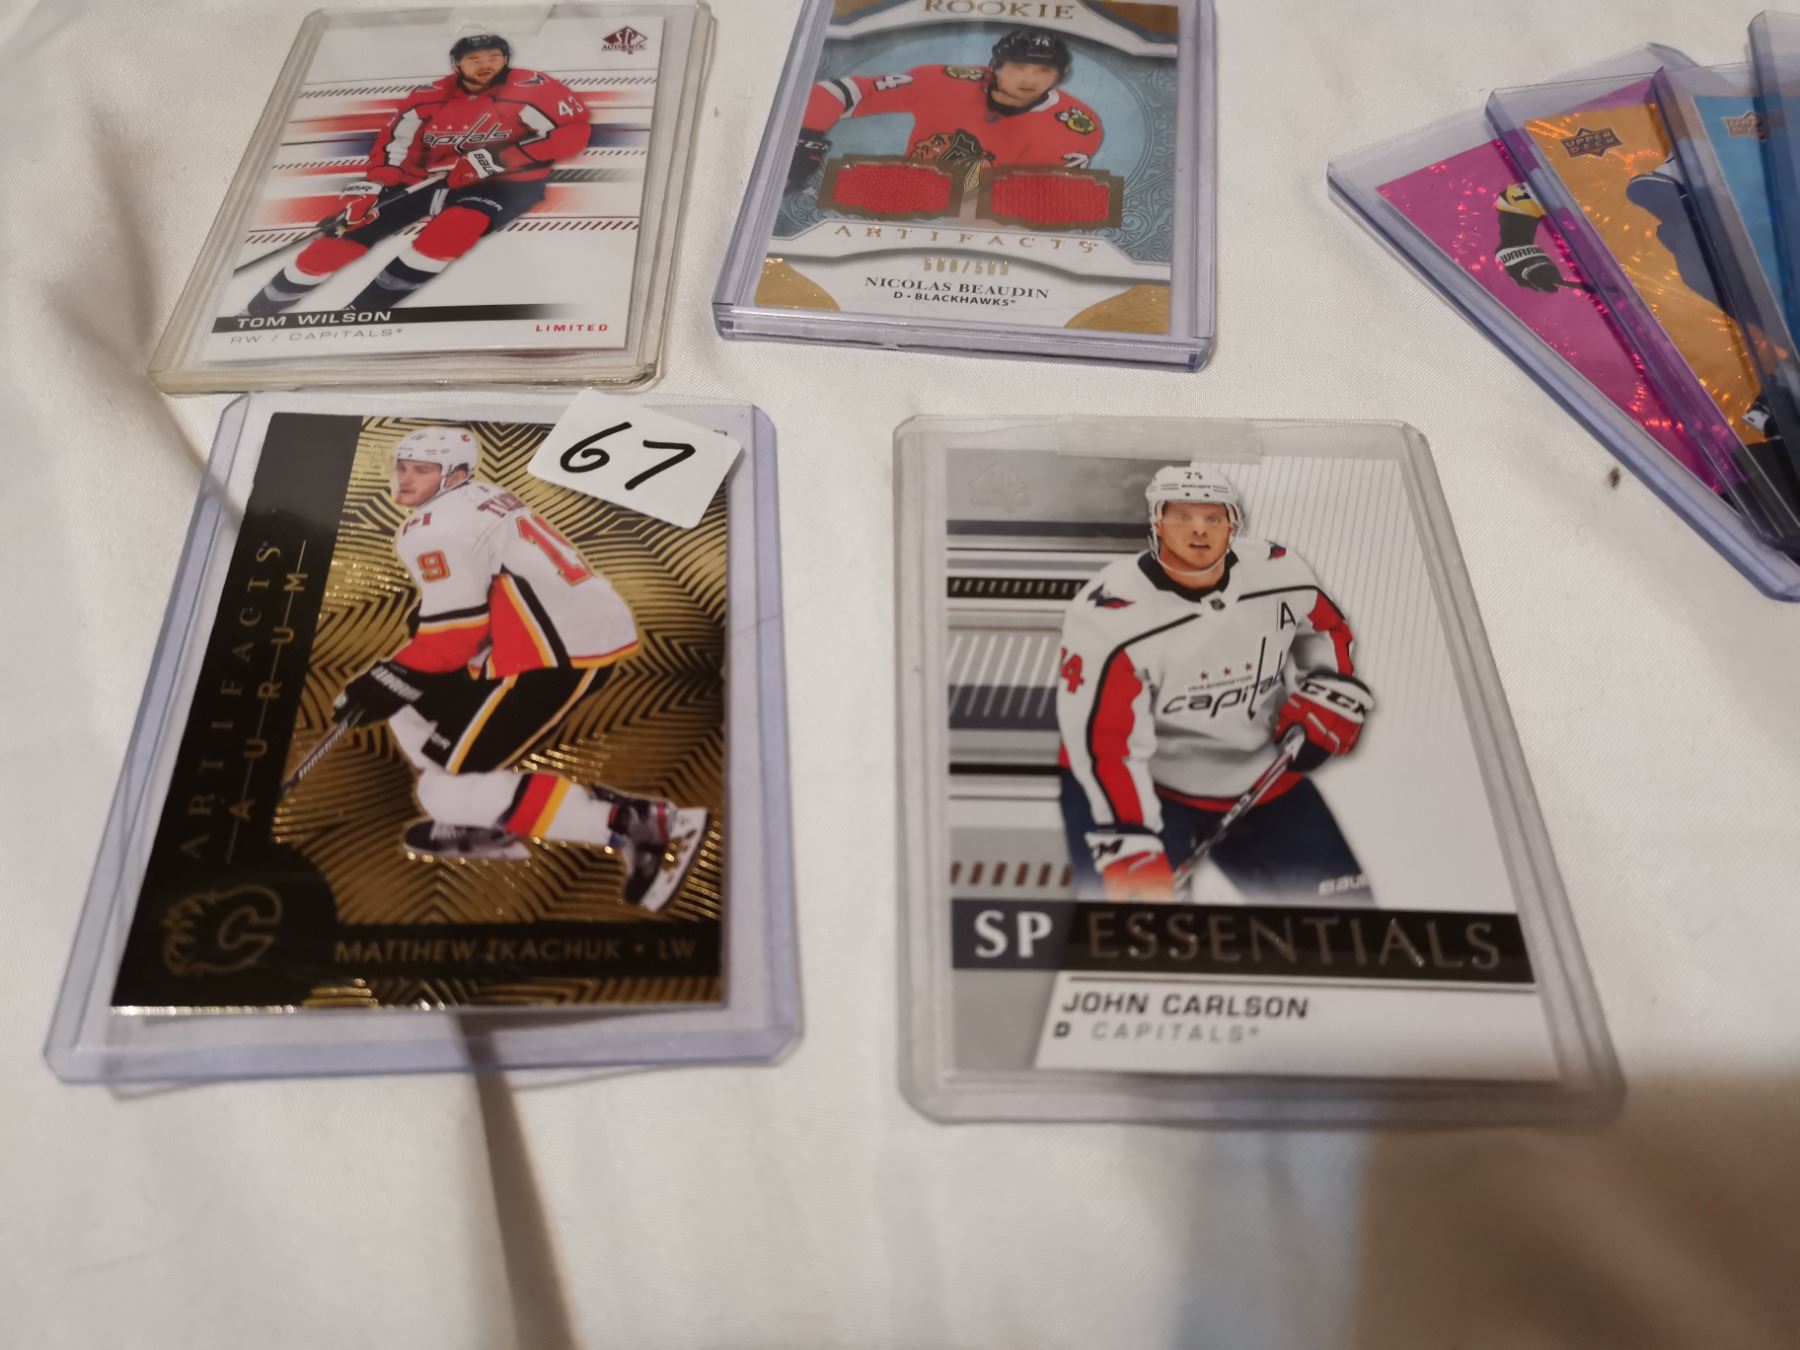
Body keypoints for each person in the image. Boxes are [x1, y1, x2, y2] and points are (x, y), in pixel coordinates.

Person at [330, 426, 706, 912]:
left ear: (455, 475)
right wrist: (400, 675)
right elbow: (473, 594)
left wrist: (389, 678)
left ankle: (633, 823)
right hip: (561, 629)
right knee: (409, 707)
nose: (404, 478)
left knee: (443, 791)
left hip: (556, 653)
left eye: (421, 469)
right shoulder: (481, 495)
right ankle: (477, 810)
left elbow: (454, 638)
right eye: (403, 466)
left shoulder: (428, 529)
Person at [1054, 464, 1375, 904]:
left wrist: (1327, 689)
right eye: (1182, 517)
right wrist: (1128, 840)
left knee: (1348, 921)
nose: (1199, 530)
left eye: (1213, 517)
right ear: (1157, 523)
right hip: (1136, 783)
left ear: (1233, 524)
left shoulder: (1279, 572)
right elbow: (1104, 743)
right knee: (1128, 933)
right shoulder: (1110, 615)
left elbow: (1324, 628)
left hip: (1261, 773)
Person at [245, 34, 588, 316]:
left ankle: (363, 312)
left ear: (506, 59)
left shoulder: (533, 87)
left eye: (494, 57)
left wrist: (499, 158)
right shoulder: (430, 97)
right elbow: (396, 145)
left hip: (504, 184)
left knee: (452, 231)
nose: (485, 65)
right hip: (425, 179)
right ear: (456, 65)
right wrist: (373, 188)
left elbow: (573, 132)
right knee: (340, 238)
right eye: (474, 59)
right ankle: (258, 311)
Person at [788, 27, 1104, 191]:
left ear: (1062, 75)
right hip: (902, 199)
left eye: (1044, 71)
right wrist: (805, 137)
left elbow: (1036, 197)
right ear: (995, 65)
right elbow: (842, 92)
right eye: (1019, 66)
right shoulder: (945, 81)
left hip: (985, 227)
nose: (1030, 80)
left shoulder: (1076, 128)